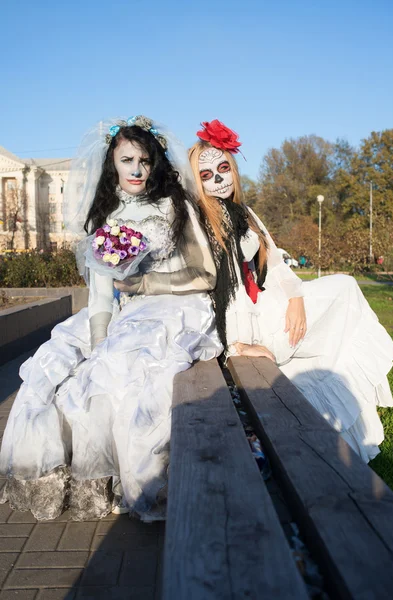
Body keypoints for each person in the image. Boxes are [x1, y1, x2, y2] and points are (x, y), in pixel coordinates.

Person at [0, 115, 222, 521]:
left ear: (155, 162)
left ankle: (144, 479)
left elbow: (204, 274)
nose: (136, 170)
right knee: (59, 367)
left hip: (174, 305)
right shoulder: (105, 215)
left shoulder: (176, 205)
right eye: (126, 160)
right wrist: (100, 337)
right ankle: (78, 477)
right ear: (112, 163)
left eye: (144, 160)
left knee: (135, 372)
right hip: (122, 313)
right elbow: (102, 291)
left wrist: (145, 284)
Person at [188, 119, 393, 463]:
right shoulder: (203, 220)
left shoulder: (247, 212)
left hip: (275, 299)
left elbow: (276, 264)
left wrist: (297, 298)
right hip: (248, 314)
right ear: (198, 182)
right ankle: (278, 361)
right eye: (207, 175)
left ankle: (331, 400)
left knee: (344, 285)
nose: (219, 179)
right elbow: (221, 289)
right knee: (302, 332)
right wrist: (239, 342)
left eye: (223, 168)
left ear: (234, 169)